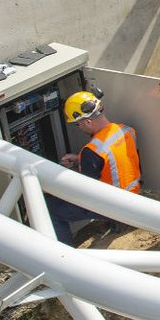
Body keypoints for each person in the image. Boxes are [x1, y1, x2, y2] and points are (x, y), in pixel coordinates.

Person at [48, 90, 139, 245]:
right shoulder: (126, 130)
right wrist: (79, 160)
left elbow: (85, 191)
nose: (79, 127)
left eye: (77, 124)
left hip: (112, 207)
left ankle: (65, 255)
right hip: (133, 196)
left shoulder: (91, 152)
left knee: (51, 209)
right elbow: (113, 162)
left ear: (87, 122)